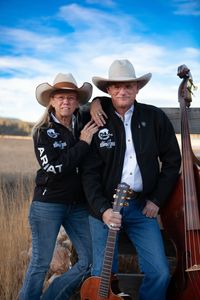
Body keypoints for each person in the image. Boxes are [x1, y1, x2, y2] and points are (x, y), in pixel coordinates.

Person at [82, 59, 181, 300]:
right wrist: (103, 210)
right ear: (108, 90)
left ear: (138, 88)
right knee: (101, 275)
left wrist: (157, 199)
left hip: (140, 207)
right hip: (104, 209)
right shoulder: (98, 119)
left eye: (128, 86)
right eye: (116, 86)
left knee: (159, 272)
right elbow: (89, 172)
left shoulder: (154, 117)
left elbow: (172, 161)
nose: (122, 91)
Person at [19, 73, 99, 300]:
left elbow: (108, 104)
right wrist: (83, 143)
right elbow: (54, 167)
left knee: (90, 259)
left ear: (77, 102)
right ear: (51, 101)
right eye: (61, 97)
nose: (66, 102)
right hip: (48, 204)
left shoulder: (83, 122)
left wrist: (97, 102)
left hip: (78, 205)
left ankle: (52, 296)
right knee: (40, 264)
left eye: (71, 98)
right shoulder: (42, 131)